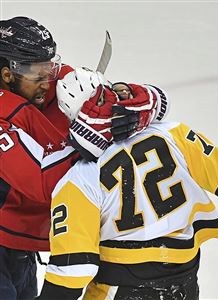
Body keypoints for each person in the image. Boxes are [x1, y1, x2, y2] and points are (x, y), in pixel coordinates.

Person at [37, 69, 218, 300]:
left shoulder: (78, 181)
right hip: (183, 283)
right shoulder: (174, 134)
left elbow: (70, 275)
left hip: (119, 290)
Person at [0, 17, 170, 299]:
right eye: (38, 75)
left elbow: (142, 104)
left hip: (18, 242)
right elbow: (41, 182)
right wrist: (88, 137)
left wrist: (134, 102)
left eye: (49, 69)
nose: (48, 82)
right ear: (8, 73)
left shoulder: (48, 82)